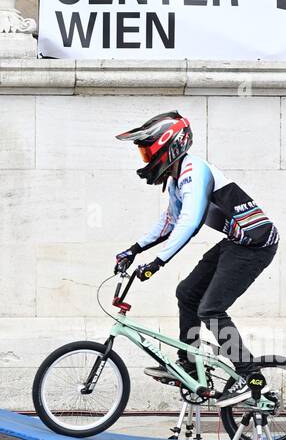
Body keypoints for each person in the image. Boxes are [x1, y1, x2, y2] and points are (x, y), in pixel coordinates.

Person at [113, 111, 277, 406]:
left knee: (211, 309)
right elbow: (169, 223)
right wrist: (133, 249)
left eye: (147, 150)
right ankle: (187, 363)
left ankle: (250, 376)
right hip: (235, 243)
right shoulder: (177, 181)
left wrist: (158, 263)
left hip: (256, 245)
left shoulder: (195, 171)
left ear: (170, 145)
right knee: (187, 293)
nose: (145, 158)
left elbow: (189, 222)